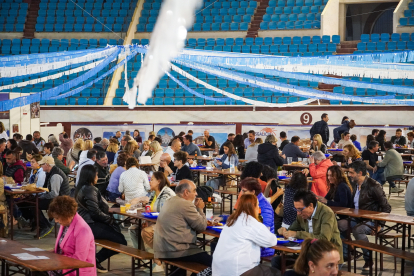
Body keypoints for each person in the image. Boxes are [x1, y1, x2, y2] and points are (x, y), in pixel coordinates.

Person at [338, 161, 391, 270]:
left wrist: (380, 224)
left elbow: (386, 207)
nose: (349, 175)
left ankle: (369, 259)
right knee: (339, 225)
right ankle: (346, 254)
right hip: (357, 218)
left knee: (358, 230)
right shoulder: (354, 184)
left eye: (351, 173)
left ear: (360, 173)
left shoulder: (374, 186)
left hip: (372, 220)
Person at [272, 190, 343, 270]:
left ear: (310, 206)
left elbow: (324, 239)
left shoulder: (326, 213)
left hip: (327, 256)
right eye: (296, 209)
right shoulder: (301, 213)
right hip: (308, 255)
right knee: (277, 260)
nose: (298, 213)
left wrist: (297, 234)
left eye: (300, 209)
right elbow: (292, 230)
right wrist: (285, 231)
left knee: (306, 269)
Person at [75, 164, 127, 273]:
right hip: (91, 224)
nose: (97, 177)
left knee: (117, 237)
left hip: (84, 224)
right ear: (91, 176)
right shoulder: (89, 189)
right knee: (121, 241)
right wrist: (110, 220)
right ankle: (95, 259)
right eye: (96, 175)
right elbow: (95, 212)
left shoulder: (79, 188)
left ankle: (95, 259)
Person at [153, 180, 212, 276]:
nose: (196, 194)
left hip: (163, 248)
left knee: (182, 268)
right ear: (186, 192)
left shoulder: (170, 200)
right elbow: (201, 226)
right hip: (177, 250)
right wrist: (200, 209)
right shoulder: (185, 204)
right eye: (194, 190)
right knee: (214, 263)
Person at [212, 194, 278, 276]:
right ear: (253, 207)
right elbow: (272, 241)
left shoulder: (231, 221)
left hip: (218, 269)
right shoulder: (251, 222)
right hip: (238, 270)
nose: (259, 208)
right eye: (257, 205)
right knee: (276, 273)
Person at [132, 172, 175, 272]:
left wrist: (149, 221)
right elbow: (150, 209)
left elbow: (163, 213)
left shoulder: (167, 193)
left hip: (167, 223)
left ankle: (158, 259)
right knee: (133, 229)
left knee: (146, 232)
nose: (149, 182)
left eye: (151, 180)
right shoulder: (153, 193)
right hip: (154, 221)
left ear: (159, 181)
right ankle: (143, 259)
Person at [48, 196, 96, 276]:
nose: (56, 221)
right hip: (65, 266)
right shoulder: (66, 223)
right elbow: (60, 249)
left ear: (66, 215)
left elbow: (79, 259)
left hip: (77, 271)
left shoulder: (83, 230)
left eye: (57, 218)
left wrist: (56, 260)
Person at [239, 177, 275, 257]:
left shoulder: (265, 207)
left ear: (253, 192)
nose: (241, 193)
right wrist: (223, 218)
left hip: (263, 248)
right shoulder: (248, 203)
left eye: (244, 191)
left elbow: (265, 231)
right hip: (252, 243)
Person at [36, 156, 70, 238]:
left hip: (60, 201)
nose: (40, 166)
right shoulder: (51, 172)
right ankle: (40, 223)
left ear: (47, 165)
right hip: (59, 198)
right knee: (34, 201)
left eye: (42, 164)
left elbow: (54, 194)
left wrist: (42, 196)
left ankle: (45, 225)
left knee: (35, 204)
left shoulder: (55, 175)